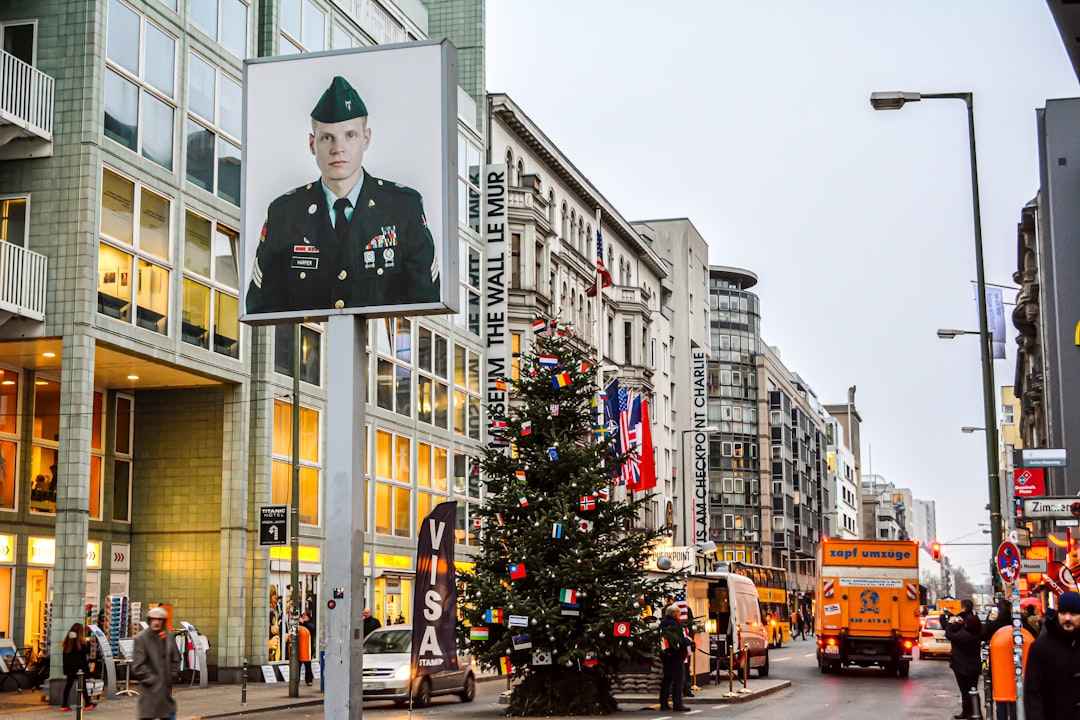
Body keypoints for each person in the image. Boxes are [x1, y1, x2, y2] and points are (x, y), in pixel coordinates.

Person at [246, 75, 440, 315]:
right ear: (311, 144)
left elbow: (426, 305)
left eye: (350, 135)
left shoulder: (403, 209)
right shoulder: (285, 213)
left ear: (366, 139)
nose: (338, 148)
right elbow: (261, 309)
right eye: (327, 137)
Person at [1023, 590, 1080, 720]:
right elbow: (1033, 694)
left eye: (1073, 613)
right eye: (1063, 613)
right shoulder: (1041, 648)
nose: (1067, 618)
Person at [132, 607, 181, 720]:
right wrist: (152, 679)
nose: (156, 622)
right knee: (148, 715)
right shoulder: (141, 638)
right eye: (153, 619)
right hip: (150, 692)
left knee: (169, 714)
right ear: (149, 620)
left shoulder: (169, 637)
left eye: (159, 619)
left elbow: (175, 658)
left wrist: (172, 674)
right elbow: (137, 666)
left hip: (166, 693)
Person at [944, 611, 982, 719]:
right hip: (973, 666)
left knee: (965, 691)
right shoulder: (976, 634)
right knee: (972, 690)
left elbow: (949, 635)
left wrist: (950, 624)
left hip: (962, 667)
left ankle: (970, 713)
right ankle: (973, 712)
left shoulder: (964, 635)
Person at [658, 605, 691, 712]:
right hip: (675, 655)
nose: (679, 614)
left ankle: (664, 703)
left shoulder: (663, 623)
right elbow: (679, 639)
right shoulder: (673, 624)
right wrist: (689, 642)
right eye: (678, 612)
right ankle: (677, 703)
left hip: (666, 655)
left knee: (667, 679)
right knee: (679, 680)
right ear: (672, 613)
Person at [60, 623, 94, 711]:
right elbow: (85, 653)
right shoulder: (81, 643)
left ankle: (64, 705)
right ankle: (87, 703)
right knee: (83, 686)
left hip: (69, 668)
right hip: (79, 668)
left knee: (68, 685)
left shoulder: (68, 642)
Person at [299, 612, 315, 686]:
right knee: (298, 665)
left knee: (308, 665)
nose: (303, 617)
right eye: (302, 616)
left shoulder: (310, 624)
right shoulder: (299, 624)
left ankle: (309, 680)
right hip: (300, 648)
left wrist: (304, 623)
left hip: (308, 648)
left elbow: (312, 628)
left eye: (305, 616)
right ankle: (296, 680)